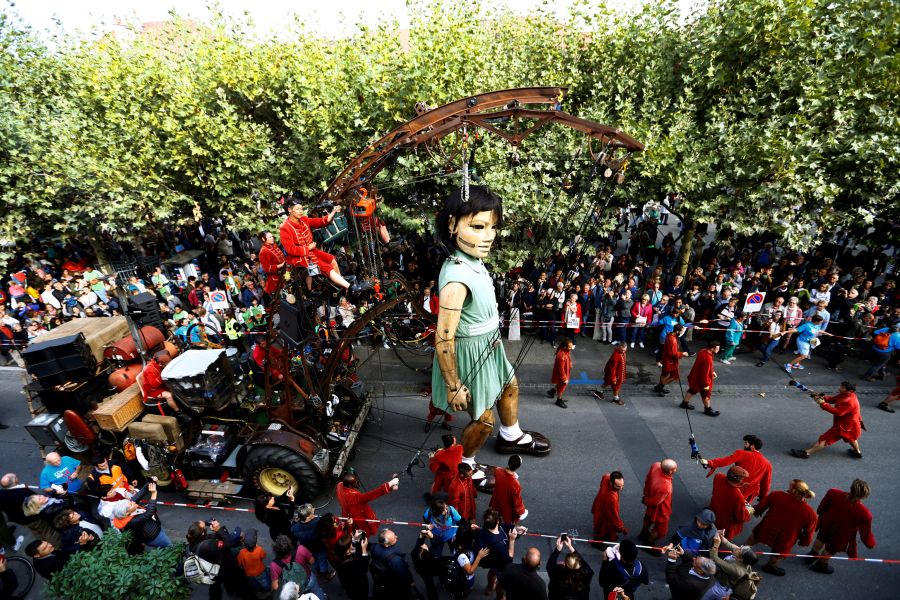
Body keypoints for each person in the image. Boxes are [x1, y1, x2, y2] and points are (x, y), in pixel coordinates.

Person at [431, 186, 550, 478]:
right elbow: (444, 337)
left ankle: (511, 435)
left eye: (492, 227)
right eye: (478, 227)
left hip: (488, 344)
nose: (489, 236)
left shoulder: (471, 260)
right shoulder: (456, 279)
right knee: (483, 419)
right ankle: (467, 464)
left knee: (510, 386)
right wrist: (453, 384)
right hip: (469, 354)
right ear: (451, 224)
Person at [279, 196, 358, 292]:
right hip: (299, 257)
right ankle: (350, 287)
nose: (300, 211)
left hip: (312, 251)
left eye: (301, 209)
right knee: (327, 267)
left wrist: (333, 212)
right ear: (290, 210)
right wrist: (308, 248)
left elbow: (321, 222)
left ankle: (339, 281)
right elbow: (290, 250)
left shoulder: (304, 220)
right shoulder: (285, 227)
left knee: (332, 259)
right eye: (297, 209)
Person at [746, 479, 818, 576]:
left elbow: (760, 507)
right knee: (779, 552)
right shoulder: (810, 513)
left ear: (793, 490)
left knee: (754, 537)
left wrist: (757, 511)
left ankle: (742, 553)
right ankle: (770, 566)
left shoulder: (777, 495)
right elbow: (809, 531)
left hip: (766, 527)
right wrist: (804, 541)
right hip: (787, 537)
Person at [807, 479, 875, 574]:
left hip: (827, 523)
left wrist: (820, 513)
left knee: (821, 538)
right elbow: (865, 533)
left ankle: (812, 555)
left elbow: (822, 508)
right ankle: (821, 565)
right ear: (863, 496)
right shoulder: (865, 513)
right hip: (842, 533)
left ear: (851, 488)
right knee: (830, 548)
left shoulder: (833, 493)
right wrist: (870, 544)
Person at [790, 381, 864, 459]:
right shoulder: (846, 395)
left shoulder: (850, 402)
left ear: (850, 391)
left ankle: (806, 453)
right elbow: (833, 399)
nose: (840, 388)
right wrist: (821, 397)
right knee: (851, 438)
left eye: (842, 388)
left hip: (844, 426)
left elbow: (839, 413)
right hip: (851, 425)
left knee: (824, 439)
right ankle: (857, 452)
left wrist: (823, 404)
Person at [700, 435, 772, 503]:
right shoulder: (767, 464)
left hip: (734, 485)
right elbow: (766, 484)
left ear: (752, 446)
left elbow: (726, 461)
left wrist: (710, 463)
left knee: (719, 477)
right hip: (748, 493)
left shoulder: (741, 453)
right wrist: (763, 497)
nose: (744, 445)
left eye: (746, 443)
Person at [336, 471, 399, 537]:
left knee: (352, 527)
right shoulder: (354, 496)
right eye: (355, 483)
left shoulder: (339, 485)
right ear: (350, 485)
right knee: (366, 528)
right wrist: (389, 484)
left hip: (347, 513)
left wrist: (390, 487)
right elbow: (372, 494)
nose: (357, 483)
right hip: (360, 515)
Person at [115, 478, 172, 548]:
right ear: (126, 513)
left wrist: (152, 481)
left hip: (156, 528)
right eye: (130, 504)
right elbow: (148, 513)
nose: (132, 502)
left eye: (130, 502)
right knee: (170, 547)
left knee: (162, 547)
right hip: (154, 537)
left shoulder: (128, 507)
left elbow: (141, 492)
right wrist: (154, 493)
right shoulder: (132, 522)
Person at [475, 509, 520, 596]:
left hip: (491, 561)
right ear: (497, 522)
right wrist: (512, 541)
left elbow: (502, 526)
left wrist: (515, 528)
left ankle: (490, 587)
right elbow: (508, 559)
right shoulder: (497, 543)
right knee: (501, 583)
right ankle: (500, 597)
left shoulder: (485, 528)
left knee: (492, 572)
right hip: (501, 565)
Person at [269, 534, 329, 598]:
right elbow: (312, 561)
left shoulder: (274, 565)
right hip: (308, 579)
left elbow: (275, 587)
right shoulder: (300, 549)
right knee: (317, 593)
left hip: (295, 589)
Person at [704, 534, 759, 600]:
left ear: (740, 559)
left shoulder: (736, 570)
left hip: (722, 589)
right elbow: (731, 546)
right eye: (741, 547)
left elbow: (715, 558)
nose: (738, 548)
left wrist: (715, 545)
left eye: (740, 549)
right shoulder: (746, 560)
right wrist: (722, 538)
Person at [291, 504, 335, 583]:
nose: (313, 512)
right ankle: (325, 575)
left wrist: (294, 522)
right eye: (311, 512)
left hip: (307, 549)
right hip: (319, 547)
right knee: (322, 561)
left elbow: (293, 531)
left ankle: (318, 572)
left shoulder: (294, 528)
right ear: (307, 516)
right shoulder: (318, 522)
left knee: (314, 561)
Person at [638, 459, 677, 549]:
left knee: (648, 518)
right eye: (675, 468)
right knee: (661, 531)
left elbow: (647, 480)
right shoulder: (666, 486)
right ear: (670, 471)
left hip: (650, 499)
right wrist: (647, 500)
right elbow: (657, 501)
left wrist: (646, 497)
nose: (676, 469)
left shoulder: (656, 465)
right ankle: (648, 542)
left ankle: (643, 532)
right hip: (661, 509)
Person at [370, 528, 416, 600]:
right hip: (393, 581)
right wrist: (410, 581)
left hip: (382, 578)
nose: (396, 537)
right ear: (386, 545)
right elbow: (403, 573)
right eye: (394, 538)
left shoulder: (374, 547)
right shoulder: (396, 560)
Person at [708, 466, 752, 540]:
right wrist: (748, 511)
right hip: (725, 522)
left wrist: (739, 485)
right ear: (739, 480)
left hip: (714, 511)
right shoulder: (738, 497)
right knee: (721, 538)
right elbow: (740, 518)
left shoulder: (718, 476)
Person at [546, 534, 593, 600]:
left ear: (565, 564)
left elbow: (549, 566)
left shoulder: (558, 573)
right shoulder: (585, 574)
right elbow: (587, 568)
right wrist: (571, 548)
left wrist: (557, 549)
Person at [681, 340, 720, 417]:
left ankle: (684, 403)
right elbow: (704, 373)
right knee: (706, 395)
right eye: (717, 348)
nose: (718, 350)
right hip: (702, 380)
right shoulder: (708, 358)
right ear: (712, 348)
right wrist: (706, 384)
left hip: (696, 376)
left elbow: (703, 366)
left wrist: (712, 371)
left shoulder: (702, 351)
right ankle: (707, 409)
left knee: (692, 390)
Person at [489, 455, 528, 525]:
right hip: (507, 507)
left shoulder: (498, 471)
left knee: (495, 518)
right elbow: (517, 501)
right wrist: (521, 511)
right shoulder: (515, 483)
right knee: (506, 523)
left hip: (496, 501)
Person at [591, 471, 626, 548]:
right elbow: (614, 515)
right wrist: (621, 527)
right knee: (600, 527)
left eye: (622, 486)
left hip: (599, 505)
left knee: (602, 525)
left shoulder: (606, 477)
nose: (621, 489)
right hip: (602, 511)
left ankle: (603, 536)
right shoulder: (611, 497)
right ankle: (596, 543)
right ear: (611, 483)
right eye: (618, 486)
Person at [332, 529, 370, 600]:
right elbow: (364, 569)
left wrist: (354, 539)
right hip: (358, 588)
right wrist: (364, 551)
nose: (353, 543)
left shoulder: (338, 555)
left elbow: (350, 549)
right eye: (351, 543)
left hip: (348, 585)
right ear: (347, 550)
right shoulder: (352, 563)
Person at [237, 528, 271, 597]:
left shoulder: (241, 552)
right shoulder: (259, 549)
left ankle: (258, 589)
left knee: (254, 583)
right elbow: (263, 556)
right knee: (264, 582)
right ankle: (267, 589)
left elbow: (239, 563)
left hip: (249, 573)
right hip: (260, 571)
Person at [654, 325, 687, 396]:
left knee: (664, 373)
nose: (681, 333)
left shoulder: (669, 335)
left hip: (666, 359)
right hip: (670, 361)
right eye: (681, 332)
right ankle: (661, 386)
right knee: (674, 376)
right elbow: (673, 353)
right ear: (677, 331)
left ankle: (659, 386)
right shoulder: (673, 339)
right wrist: (682, 354)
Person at [258, 230, 286, 299]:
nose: (272, 238)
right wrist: (281, 265)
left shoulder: (274, 245)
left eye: (272, 236)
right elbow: (267, 269)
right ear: (263, 239)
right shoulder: (264, 251)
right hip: (275, 282)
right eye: (270, 237)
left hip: (284, 276)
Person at [548, 338, 574, 408]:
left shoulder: (566, 350)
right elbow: (561, 369)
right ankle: (559, 400)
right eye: (570, 347)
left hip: (565, 371)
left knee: (560, 385)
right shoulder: (561, 356)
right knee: (562, 387)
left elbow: (568, 356)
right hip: (562, 373)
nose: (571, 348)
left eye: (571, 346)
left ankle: (552, 391)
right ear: (565, 346)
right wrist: (564, 378)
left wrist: (570, 362)